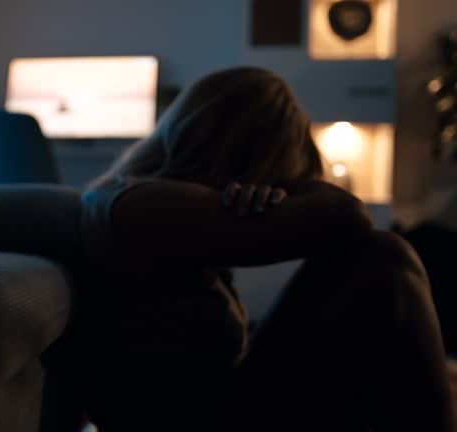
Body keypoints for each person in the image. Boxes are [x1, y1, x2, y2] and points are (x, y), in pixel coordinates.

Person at [79, 67, 455, 432]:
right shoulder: (146, 206)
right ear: (245, 156)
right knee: (384, 258)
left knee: (378, 276)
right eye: (276, 173)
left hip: (214, 412)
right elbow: (347, 216)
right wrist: (293, 191)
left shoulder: (130, 197)